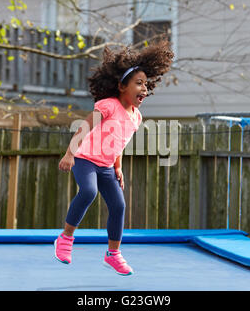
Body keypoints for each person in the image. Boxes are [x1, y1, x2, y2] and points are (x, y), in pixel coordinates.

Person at [56, 40, 174, 276]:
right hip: (85, 159)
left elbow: (119, 142)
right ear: (122, 86)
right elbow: (84, 127)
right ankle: (65, 239)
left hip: (107, 166)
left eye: (146, 85)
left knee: (119, 205)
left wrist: (118, 167)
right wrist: (70, 153)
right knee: (88, 192)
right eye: (138, 84)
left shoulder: (136, 117)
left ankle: (113, 254)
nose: (144, 89)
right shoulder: (108, 105)